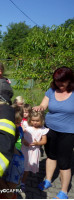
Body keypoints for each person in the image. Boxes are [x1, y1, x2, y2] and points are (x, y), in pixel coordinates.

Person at [33, 66, 74, 199]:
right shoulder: (51, 91)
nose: (59, 84)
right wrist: (40, 107)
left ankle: (63, 191)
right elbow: (44, 105)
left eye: (62, 82)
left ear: (70, 80)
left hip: (68, 132)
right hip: (50, 129)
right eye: (57, 81)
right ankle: (48, 180)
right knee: (51, 156)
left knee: (64, 162)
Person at [20, 110, 48, 192]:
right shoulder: (27, 128)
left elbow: (44, 141)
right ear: (30, 120)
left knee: (27, 169)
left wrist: (38, 143)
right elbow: (21, 136)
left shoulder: (43, 130)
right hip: (25, 150)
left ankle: (22, 182)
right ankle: (16, 180)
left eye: (37, 121)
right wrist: (24, 140)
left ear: (41, 120)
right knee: (21, 166)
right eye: (33, 120)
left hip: (34, 151)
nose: (35, 122)